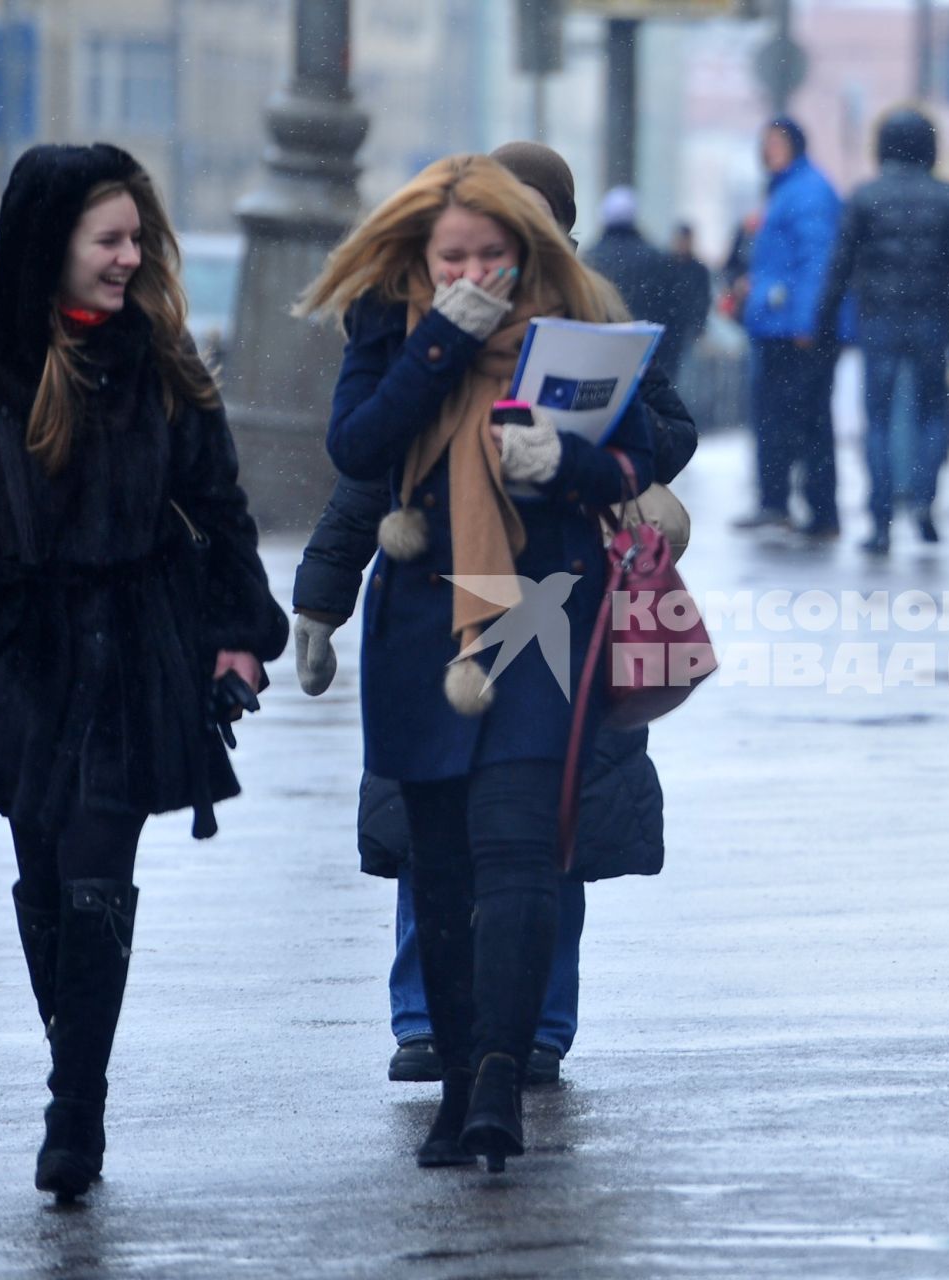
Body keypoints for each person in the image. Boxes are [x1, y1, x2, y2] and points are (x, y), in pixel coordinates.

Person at [0, 143, 286, 1200]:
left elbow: (220, 513)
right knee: (43, 882)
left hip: (134, 650)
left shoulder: (165, 365)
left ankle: (76, 1109)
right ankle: (75, 1068)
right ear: (49, 242)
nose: (128, 258)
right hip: (21, 658)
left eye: (135, 239)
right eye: (107, 238)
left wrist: (237, 631)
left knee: (97, 870)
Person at [293, 140, 696, 1090]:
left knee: (554, 827)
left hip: (558, 603)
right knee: (427, 833)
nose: (482, 263)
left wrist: (576, 439)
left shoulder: (588, 320)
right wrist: (319, 599)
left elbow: (665, 431)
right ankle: (427, 1019)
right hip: (433, 611)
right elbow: (367, 475)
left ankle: (538, 1025)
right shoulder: (411, 327)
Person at [816, 107, 949, 555]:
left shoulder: (865, 197)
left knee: (876, 419)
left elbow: (838, 267)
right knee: (933, 414)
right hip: (932, 318)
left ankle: (879, 519)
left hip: (878, 319)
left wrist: (824, 324)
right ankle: (924, 503)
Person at [732, 117, 842, 538]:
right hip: (776, 324)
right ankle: (781, 503)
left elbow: (817, 260)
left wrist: (806, 322)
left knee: (800, 420)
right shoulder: (789, 190)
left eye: (774, 143)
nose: (766, 151)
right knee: (784, 419)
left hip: (792, 331)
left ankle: (809, 509)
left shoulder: (807, 192)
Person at [584, 186, 700, 380]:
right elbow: (676, 312)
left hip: (603, 361)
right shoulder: (658, 259)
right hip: (648, 357)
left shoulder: (591, 259)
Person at [668, 222, 713, 370]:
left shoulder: (698, 270)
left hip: (688, 329)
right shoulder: (667, 266)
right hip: (671, 328)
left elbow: (704, 299)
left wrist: (698, 325)